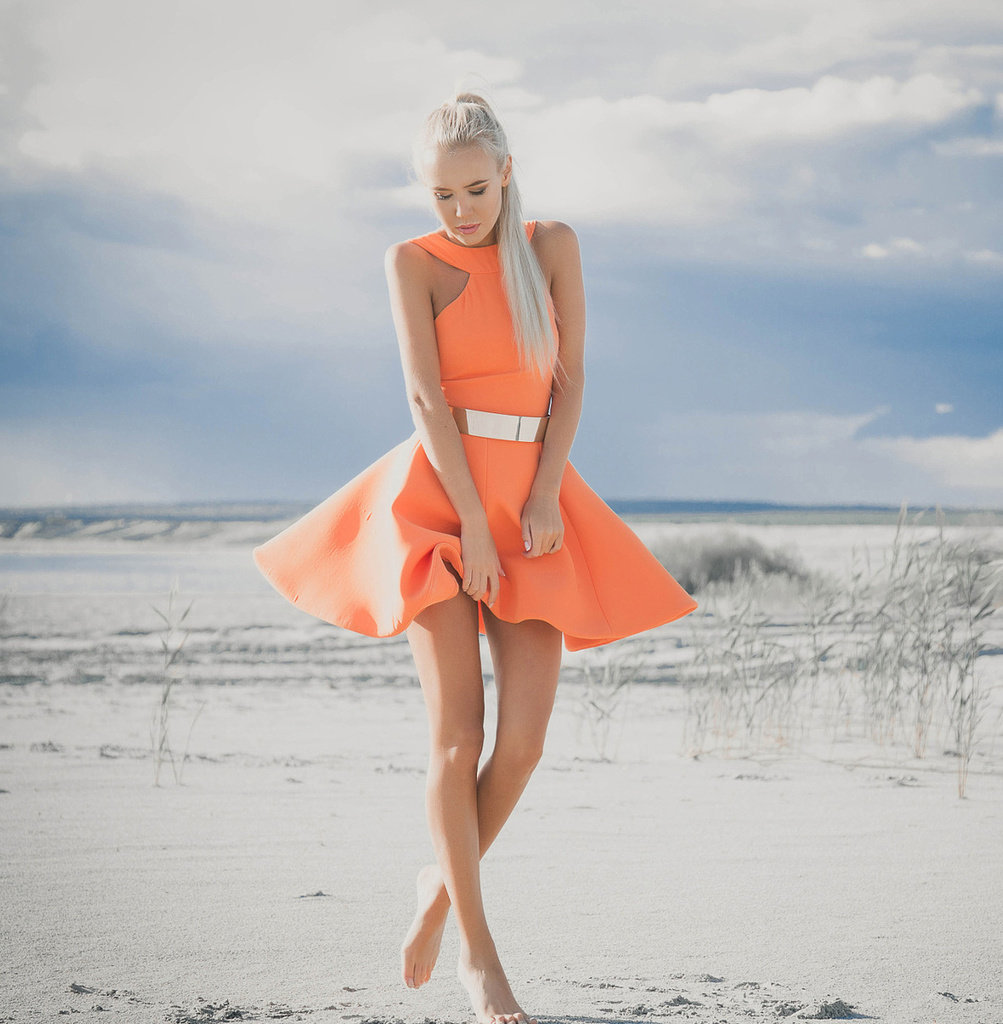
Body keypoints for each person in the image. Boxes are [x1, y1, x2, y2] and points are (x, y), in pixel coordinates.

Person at [250, 91, 698, 1024]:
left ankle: (439, 884)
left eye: (476, 189)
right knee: (457, 740)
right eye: (442, 194)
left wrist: (538, 498)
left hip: (533, 506)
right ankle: (479, 959)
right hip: (438, 507)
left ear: (505, 173)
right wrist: (475, 529)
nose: (460, 211)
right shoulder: (409, 262)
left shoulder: (553, 247)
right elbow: (423, 397)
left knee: (523, 746)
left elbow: (570, 385)